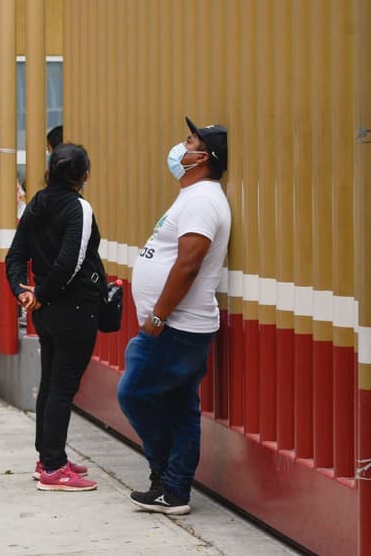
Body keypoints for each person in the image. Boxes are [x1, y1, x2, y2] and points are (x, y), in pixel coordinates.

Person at [117, 117, 231, 515]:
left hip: (177, 326)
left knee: (133, 394)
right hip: (178, 325)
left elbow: (189, 263)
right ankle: (174, 491)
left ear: (202, 157)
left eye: (189, 141)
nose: (180, 146)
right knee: (182, 407)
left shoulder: (202, 200)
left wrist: (159, 317)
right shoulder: (192, 195)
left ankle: (165, 475)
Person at [5, 143, 105, 491]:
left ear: (49, 172)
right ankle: (53, 468)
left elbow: (15, 255)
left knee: (50, 382)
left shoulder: (36, 203)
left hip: (44, 311)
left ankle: (49, 456)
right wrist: (40, 293)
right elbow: (71, 262)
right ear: (85, 176)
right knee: (62, 386)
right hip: (73, 309)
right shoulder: (80, 208)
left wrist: (25, 293)